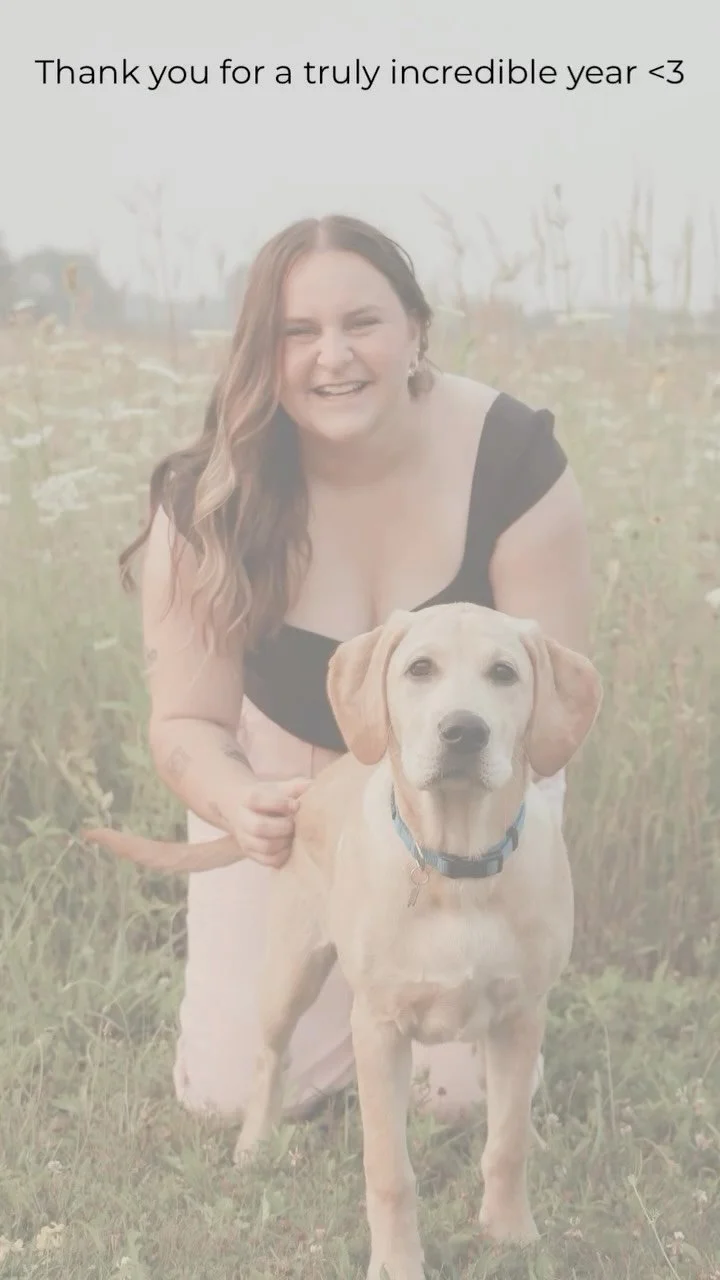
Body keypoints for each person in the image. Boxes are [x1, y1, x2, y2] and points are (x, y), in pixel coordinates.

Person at [119, 213, 592, 1124]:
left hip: (476, 782)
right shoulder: (207, 496)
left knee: (456, 1100)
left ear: (416, 329)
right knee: (229, 1096)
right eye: (297, 331)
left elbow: (548, 717)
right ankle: (335, 995)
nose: (332, 356)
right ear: (261, 354)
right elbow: (187, 723)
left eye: (362, 323)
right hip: (291, 781)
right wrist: (237, 801)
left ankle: (423, 1006)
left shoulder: (515, 459)